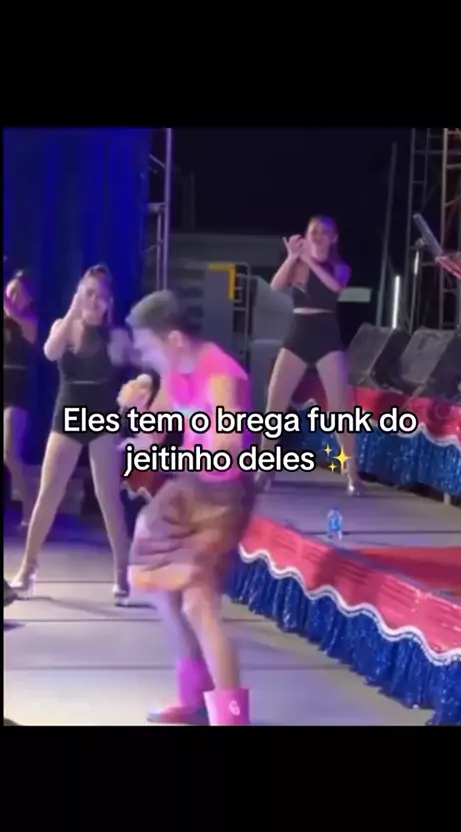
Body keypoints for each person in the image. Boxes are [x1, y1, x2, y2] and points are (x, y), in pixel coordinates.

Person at [118, 291, 255, 726]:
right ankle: (193, 695)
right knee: (162, 587)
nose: (143, 358)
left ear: (174, 339)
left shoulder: (221, 375)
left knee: (199, 603)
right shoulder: (175, 372)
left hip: (223, 495)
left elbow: (230, 444)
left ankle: (231, 717)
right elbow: (150, 438)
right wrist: (134, 413)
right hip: (191, 486)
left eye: (147, 347)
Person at [10, 265, 132, 605]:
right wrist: (71, 312)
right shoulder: (61, 327)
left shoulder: (115, 336)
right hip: (67, 417)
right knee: (48, 494)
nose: (94, 300)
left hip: (102, 419)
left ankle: (122, 572)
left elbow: (134, 371)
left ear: (109, 302)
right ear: (79, 294)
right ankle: (28, 567)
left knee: (108, 498)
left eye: (100, 296)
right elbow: (50, 352)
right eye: (88, 293)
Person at [256, 215, 362, 494]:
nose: (317, 236)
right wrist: (292, 257)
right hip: (298, 333)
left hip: (327, 336)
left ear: (333, 238)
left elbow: (334, 287)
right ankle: (264, 469)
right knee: (275, 403)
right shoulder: (298, 263)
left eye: (324, 232)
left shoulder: (339, 267)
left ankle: (352, 471)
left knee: (340, 408)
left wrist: (309, 261)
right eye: (313, 231)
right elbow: (275, 286)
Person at [4, 271, 38, 525]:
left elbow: (14, 313)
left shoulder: (29, 321)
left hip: (15, 393)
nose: (13, 297)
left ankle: (30, 507)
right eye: (10, 292)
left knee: (9, 453)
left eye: (19, 293)